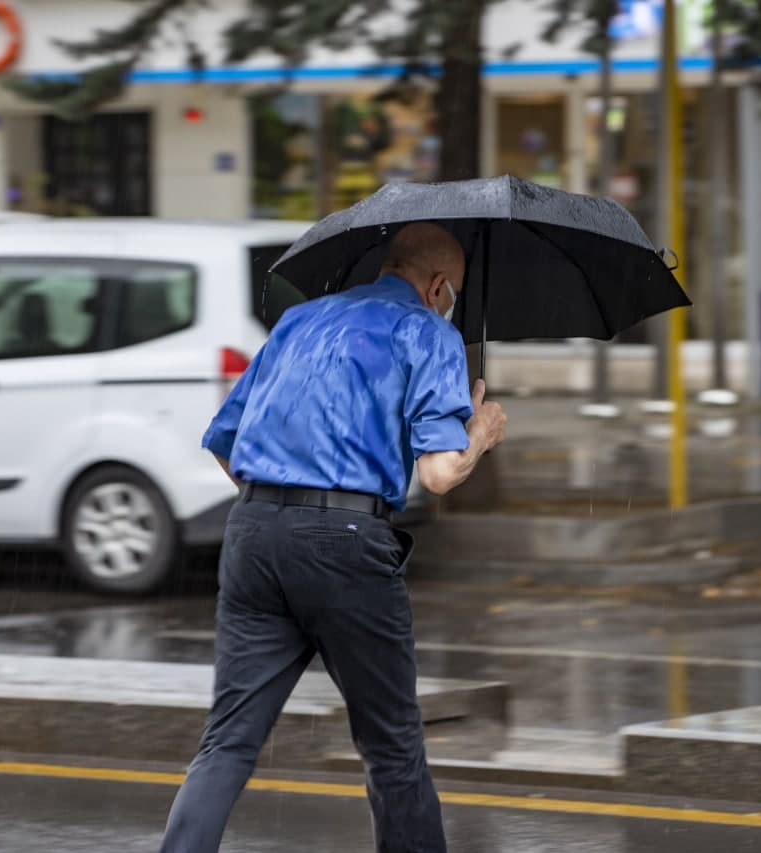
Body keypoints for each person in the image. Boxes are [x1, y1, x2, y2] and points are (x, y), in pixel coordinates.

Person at [161, 222, 508, 853]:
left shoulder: (300, 320)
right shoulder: (429, 333)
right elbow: (437, 475)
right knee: (392, 746)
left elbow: (225, 443)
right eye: (451, 293)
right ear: (437, 287)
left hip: (254, 531)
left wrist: (284, 500)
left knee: (229, 740)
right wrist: (479, 433)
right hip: (347, 540)